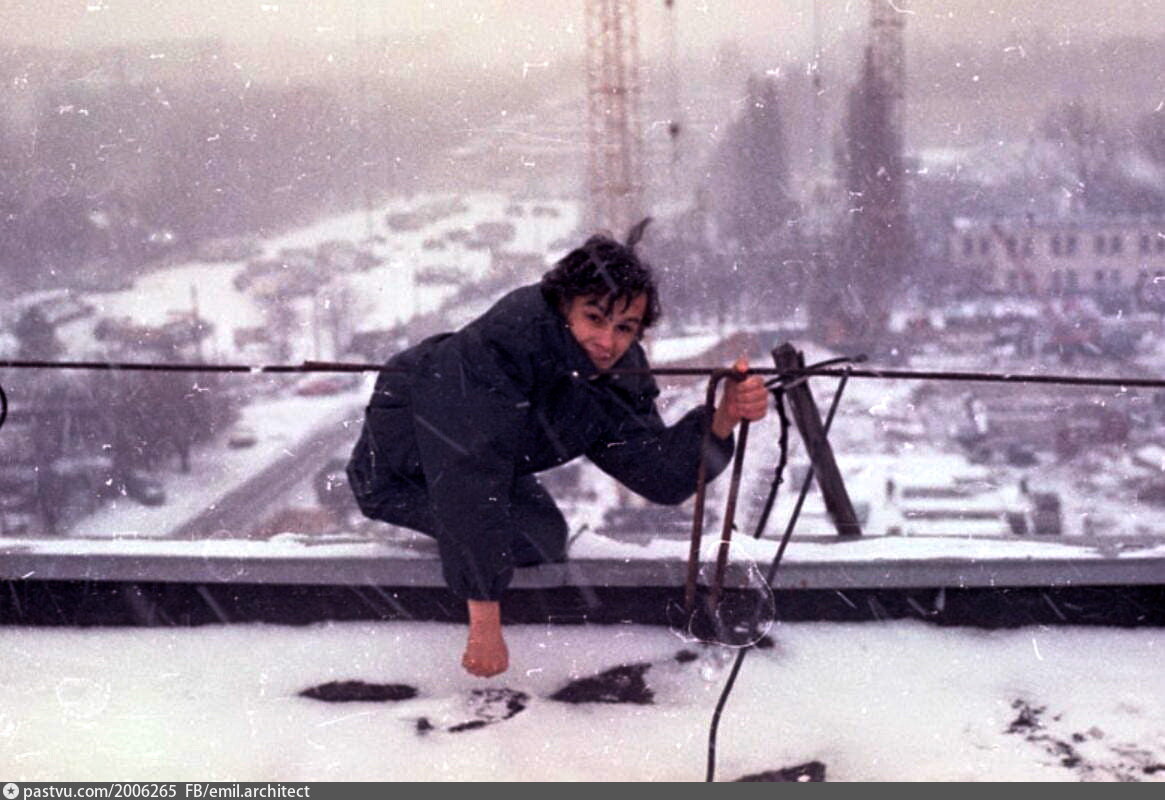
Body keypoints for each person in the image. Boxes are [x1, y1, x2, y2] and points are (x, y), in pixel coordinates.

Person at [346, 220, 768, 677]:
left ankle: (471, 547)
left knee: (542, 537)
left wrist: (722, 420)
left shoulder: (609, 375)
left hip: (489, 463)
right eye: (595, 318)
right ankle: (454, 550)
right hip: (402, 469)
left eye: (625, 327)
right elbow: (468, 475)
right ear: (563, 304)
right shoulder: (501, 347)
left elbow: (657, 473)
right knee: (501, 530)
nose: (608, 342)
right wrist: (485, 622)